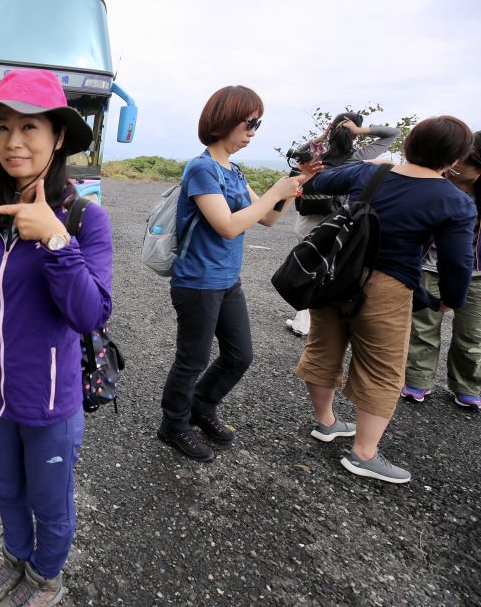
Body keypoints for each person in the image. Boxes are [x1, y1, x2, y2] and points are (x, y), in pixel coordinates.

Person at [0, 69, 113, 607]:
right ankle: (15, 558)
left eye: (30, 127)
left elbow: (90, 314)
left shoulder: (86, 219)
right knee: (7, 489)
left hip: (51, 398)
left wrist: (55, 240)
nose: (12, 142)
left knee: (51, 499)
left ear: (59, 136)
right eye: (2, 127)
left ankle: (47, 577)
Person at [296, 116, 476, 484]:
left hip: (335, 273)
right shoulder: (454, 201)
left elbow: (318, 180)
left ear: (409, 143)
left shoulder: (370, 174)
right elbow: (457, 261)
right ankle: (363, 454)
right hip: (390, 287)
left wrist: (365, 165)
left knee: (323, 348)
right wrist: (450, 300)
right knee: (382, 367)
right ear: (455, 158)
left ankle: (327, 422)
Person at [158, 86, 314, 462]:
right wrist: (273, 189)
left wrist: (291, 188)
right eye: (250, 122)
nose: (253, 132)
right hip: (197, 282)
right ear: (225, 119)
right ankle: (174, 425)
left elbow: (268, 218)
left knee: (239, 355)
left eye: (257, 124)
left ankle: (202, 405)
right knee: (192, 360)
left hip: (227, 280)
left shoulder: (236, 170)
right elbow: (227, 226)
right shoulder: (201, 168)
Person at [284, 114, 398, 336]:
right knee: (331, 271)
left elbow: (297, 156)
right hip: (337, 225)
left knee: (309, 268)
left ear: (331, 131)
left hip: (307, 222)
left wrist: (321, 137)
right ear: (354, 133)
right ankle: (321, 322)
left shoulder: (317, 155)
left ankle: (304, 320)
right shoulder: (359, 157)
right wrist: (360, 130)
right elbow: (394, 133)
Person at [402, 130, 481, 409]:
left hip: (476, 273)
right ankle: (417, 379)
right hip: (428, 264)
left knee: (473, 334)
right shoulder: (438, 180)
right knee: (422, 327)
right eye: (457, 159)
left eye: (466, 162)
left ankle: (468, 385)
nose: (457, 165)